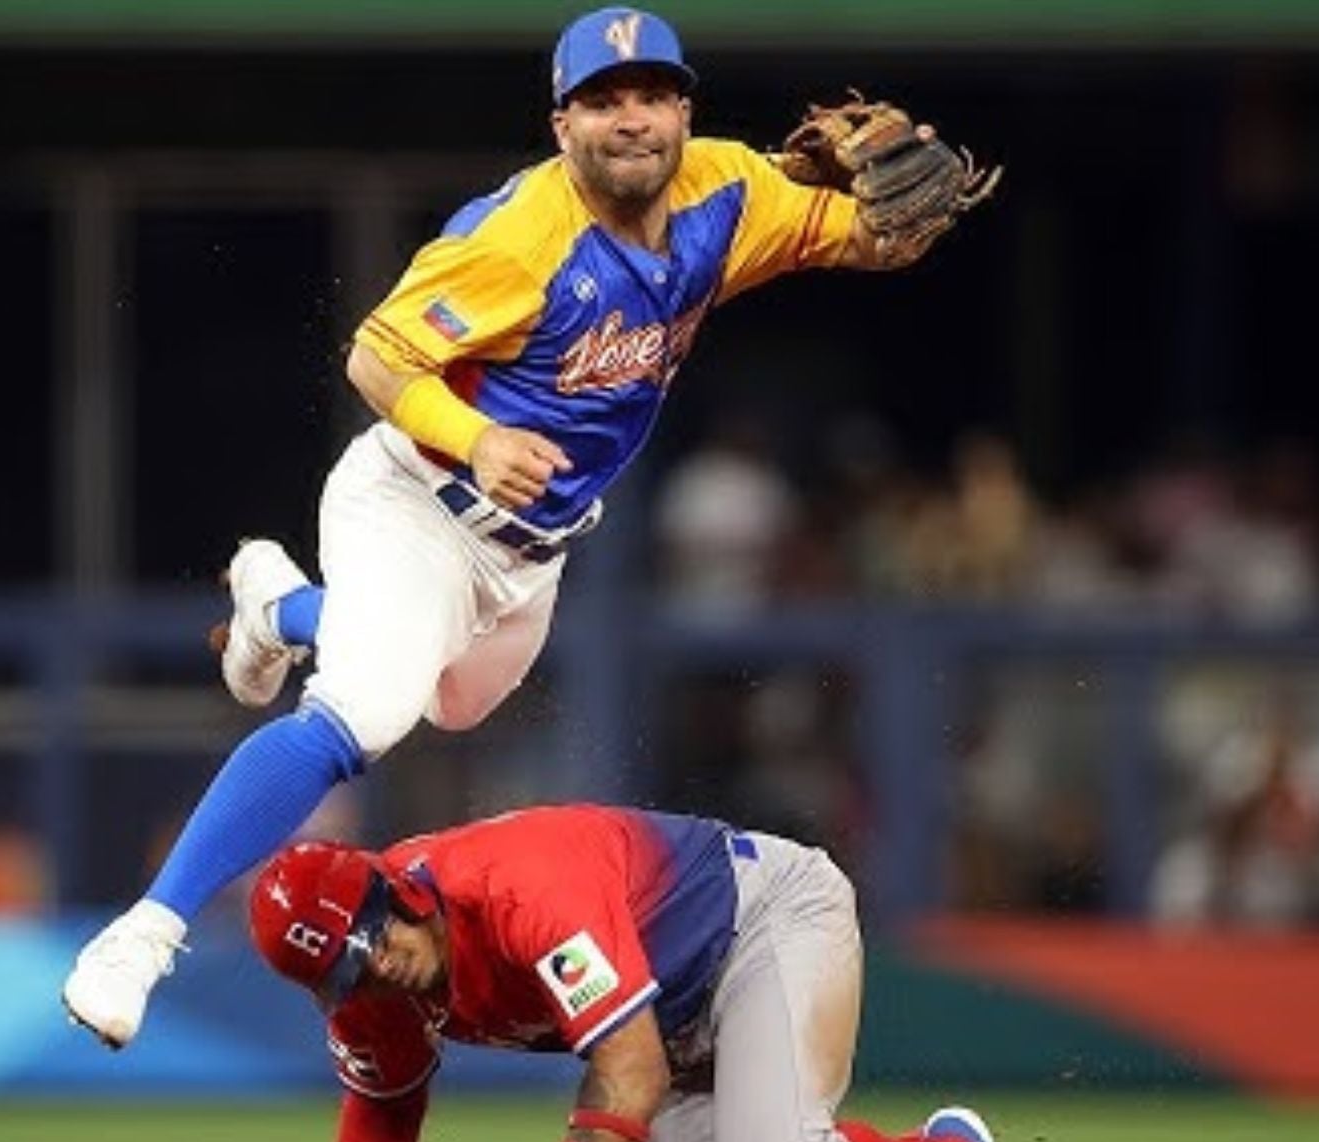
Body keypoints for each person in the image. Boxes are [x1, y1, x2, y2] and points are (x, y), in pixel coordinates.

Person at [61, 6, 994, 1048]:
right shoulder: (513, 238)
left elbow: (867, 237)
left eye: (650, 95)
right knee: (365, 711)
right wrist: (473, 438)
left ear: (684, 111)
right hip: (415, 502)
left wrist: (892, 224)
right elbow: (375, 358)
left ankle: (279, 605)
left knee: (451, 702)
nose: (629, 119)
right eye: (602, 101)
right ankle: (144, 932)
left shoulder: (730, 191)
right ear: (562, 127)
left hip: (527, 555)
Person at [229, 804, 1034, 1142]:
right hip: (667, 1015)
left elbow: (632, 1067)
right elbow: (385, 1107)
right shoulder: (375, 988)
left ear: (396, 894)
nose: (378, 967)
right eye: (348, 971)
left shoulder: (519, 888)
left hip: (761, 928)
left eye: (374, 941)